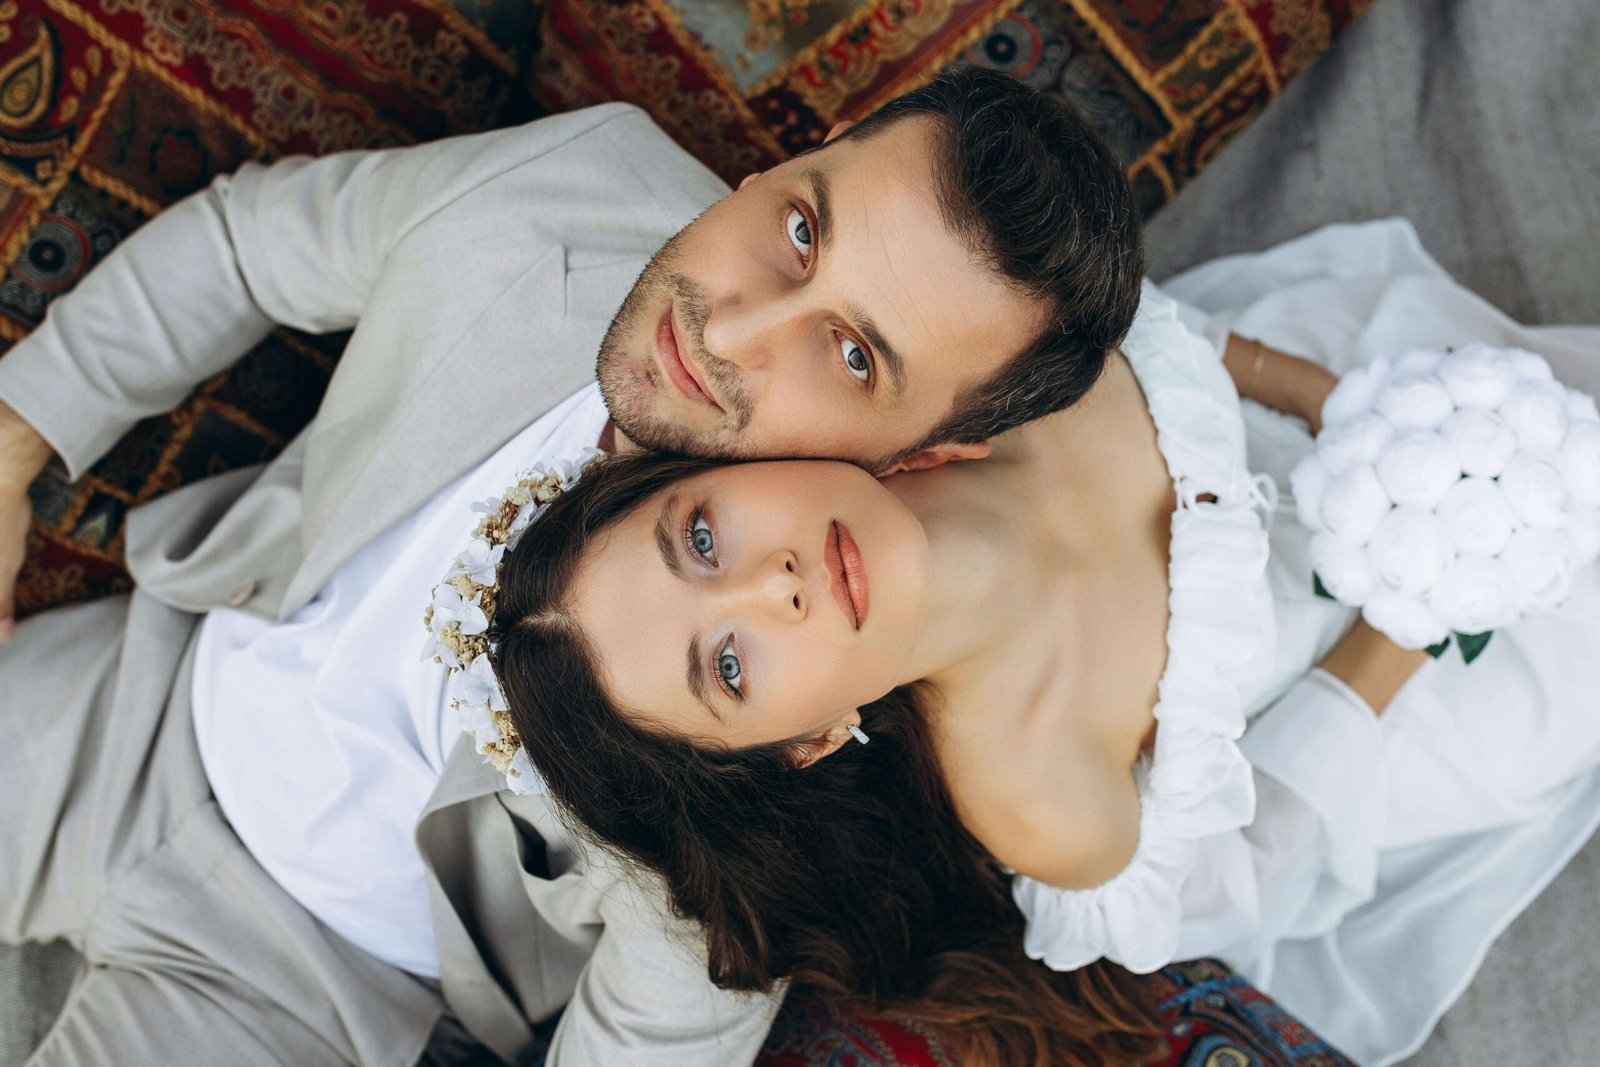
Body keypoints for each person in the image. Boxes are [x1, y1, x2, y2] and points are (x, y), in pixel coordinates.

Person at [0, 69, 1154, 1065]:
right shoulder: (557, 188)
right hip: (142, 692)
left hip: (313, 968)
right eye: (803, 231)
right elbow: (253, 243)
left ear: (917, 459)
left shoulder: (772, 696)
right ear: (788, 163)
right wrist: (16, 441)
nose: (734, 326)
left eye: (852, 355)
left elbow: (674, 1009)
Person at [488, 218, 1600, 1066]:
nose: (766, 586)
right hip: (1397, 669)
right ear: (810, 738)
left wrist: (1366, 416)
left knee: (1542, 408)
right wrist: (1427, 590)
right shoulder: (1037, 793)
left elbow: (1172, 341)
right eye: (726, 665)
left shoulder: (941, 382)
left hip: (1327, 423)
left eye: (699, 536)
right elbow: (1269, 844)